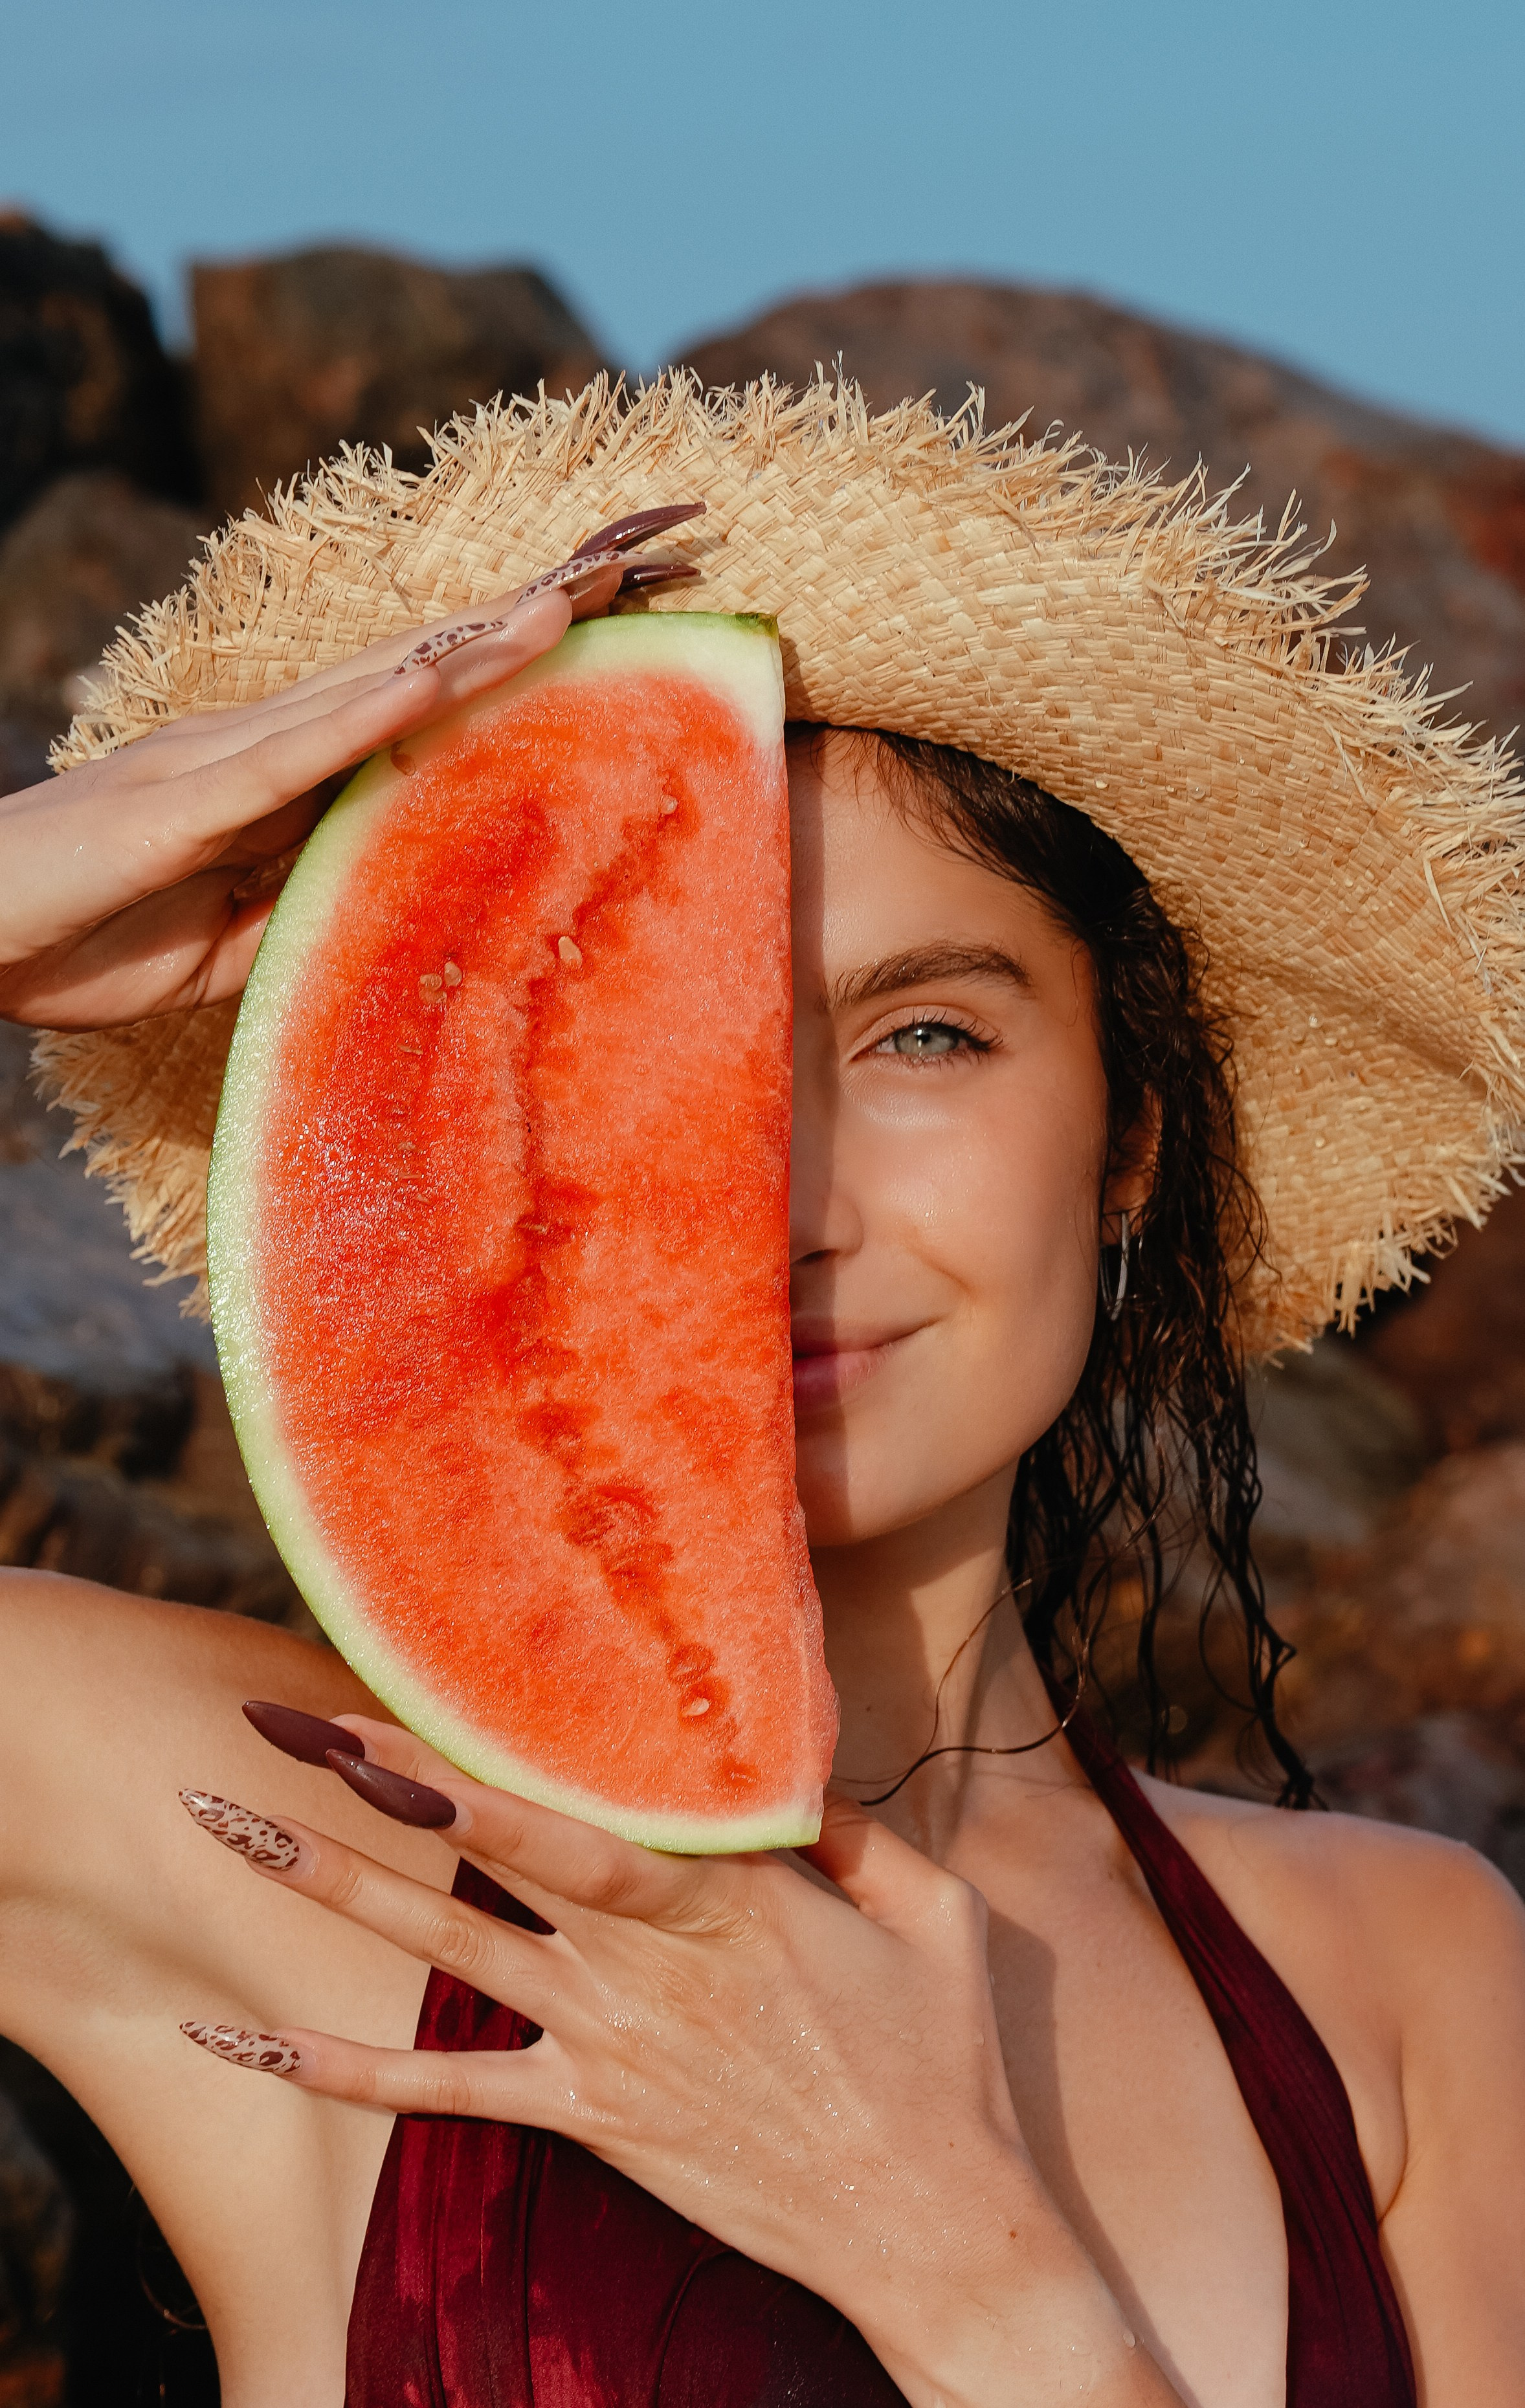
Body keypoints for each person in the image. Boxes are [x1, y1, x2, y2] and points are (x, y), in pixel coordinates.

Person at [0, 374, 1522, 2408]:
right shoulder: (265, 1841)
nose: (768, 1193)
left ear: (1130, 1129)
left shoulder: (1405, 1972)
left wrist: (962, 2264)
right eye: (616, 1054)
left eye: (922, 1035)